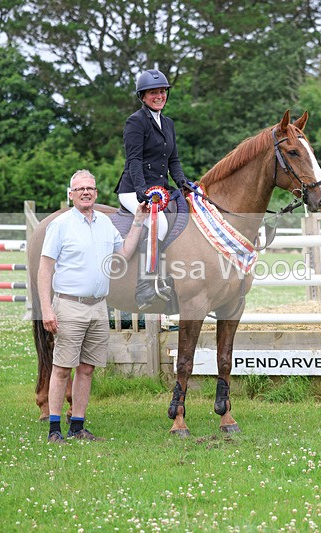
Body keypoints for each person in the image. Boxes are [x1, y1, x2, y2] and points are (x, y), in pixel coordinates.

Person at [38, 169, 149, 444]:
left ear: (96, 193)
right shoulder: (61, 225)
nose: (86, 192)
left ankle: (78, 425)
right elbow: (45, 268)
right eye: (80, 189)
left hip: (99, 307)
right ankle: (54, 429)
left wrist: (138, 221)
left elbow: (123, 252)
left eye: (90, 188)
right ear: (71, 194)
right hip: (69, 306)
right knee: (62, 367)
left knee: (87, 368)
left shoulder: (105, 223)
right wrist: (46, 309)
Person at [114, 68, 189, 309]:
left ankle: (170, 276)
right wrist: (140, 190)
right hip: (133, 190)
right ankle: (145, 286)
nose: (159, 96)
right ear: (143, 96)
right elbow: (133, 160)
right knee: (160, 225)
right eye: (153, 92)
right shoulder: (135, 121)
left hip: (161, 190)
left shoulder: (168, 123)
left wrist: (183, 183)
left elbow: (173, 160)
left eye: (162, 91)